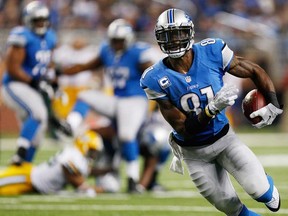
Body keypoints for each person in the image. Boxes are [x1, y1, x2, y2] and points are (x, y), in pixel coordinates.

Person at [140, 8, 283, 216]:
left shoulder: (212, 50)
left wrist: (274, 104)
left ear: (190, 32)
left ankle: (265, 185)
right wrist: (211, 109)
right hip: (194, 153)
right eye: (168, 36)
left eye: (179, 33)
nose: (174, 41)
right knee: (231, 208)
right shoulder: (154, 78)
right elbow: (183, 128)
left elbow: (253, 69)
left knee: (261, 192)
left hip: (226, 140)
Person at [60, 18, 155, 192]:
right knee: (85, 95)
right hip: (116, 100)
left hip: (135, 101)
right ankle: (71, 125)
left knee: (126, 135)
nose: (117, 44)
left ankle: (132, 179)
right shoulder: (106, 51)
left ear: (129, 39)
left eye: (120, 41)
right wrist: (60, 71)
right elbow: (85, 66)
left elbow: (154, 72)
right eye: (114, 40)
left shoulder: (138, 52)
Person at [0, 1, 70, 165]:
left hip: (33, 86)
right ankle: (20, 152)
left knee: (38, 132)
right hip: (15, 85)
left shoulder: (51, 36)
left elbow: (49, 64)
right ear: (28, 21)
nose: (40, 23)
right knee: (38, 113)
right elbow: (12, 69)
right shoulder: (21, 36)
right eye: (36, 20)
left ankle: (24, 165)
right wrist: (34, 82)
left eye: (42, 19)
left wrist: (53, 80)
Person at [0, 130, 105, 197]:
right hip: (26, 177)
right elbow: (67, 167)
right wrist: (86, 186)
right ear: (84, 146)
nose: (93, 155)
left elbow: (86, 171)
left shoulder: (77, 157)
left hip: (32, 181)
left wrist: (109, 170)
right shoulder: (74, 155)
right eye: (92, 151)